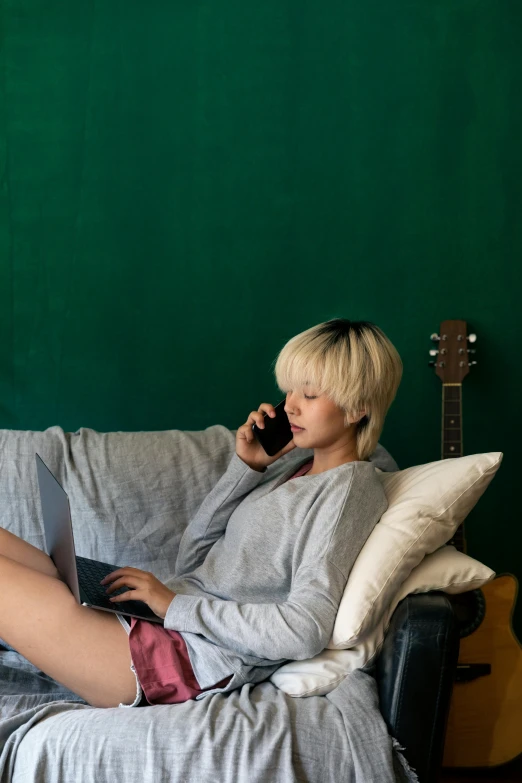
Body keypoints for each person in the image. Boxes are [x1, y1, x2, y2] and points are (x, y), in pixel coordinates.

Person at [0, 318, 402, 709]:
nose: (290, 406)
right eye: (290, 391)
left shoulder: (349, 489)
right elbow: (193, 558)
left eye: (309, 396)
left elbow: (304, 629)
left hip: (176, 658)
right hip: (163, 624)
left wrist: (173, 606)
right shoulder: (290, 467)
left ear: (357, 410)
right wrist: (247, 468)